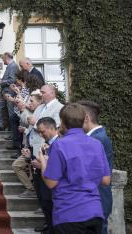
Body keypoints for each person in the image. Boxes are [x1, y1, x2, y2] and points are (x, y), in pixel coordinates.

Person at [36, 103, 111, 234]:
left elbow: (51, 182)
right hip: (94, 211)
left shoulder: (60, 145)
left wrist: (43, 163)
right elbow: (105, 180)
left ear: (62, 122)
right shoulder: (96, 144)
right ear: (84, 120)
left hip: (69, 212)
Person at [78, 100, 113, 234]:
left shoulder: (96, 139)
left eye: (76, 118)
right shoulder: (95, 136)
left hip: (97, 197)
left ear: (86, 118)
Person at [29, 117, 59, 234]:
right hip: (43, 181)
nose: (41, 135)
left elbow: (57, 166)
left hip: (52, 185)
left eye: (42, 132)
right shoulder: (48, 143)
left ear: (51, 128)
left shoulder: (59, 143)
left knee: (50, 207)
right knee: (46, 205)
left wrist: (42, 164)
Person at [12, 92, 42, 199]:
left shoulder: (33, 113)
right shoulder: (33, 112)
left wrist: (26, 129)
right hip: (29, 147)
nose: (29, 103)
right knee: (18, 166)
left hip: (39, 150)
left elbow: (45, 131)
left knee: (38, 174)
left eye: (31, 101)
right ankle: (31, 188)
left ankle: (32, 189)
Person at [0, 52, 19, 131]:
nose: (2, 60)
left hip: (10, 92)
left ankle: (12, 130)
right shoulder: (10, 66)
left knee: (11, 111)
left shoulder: (13, 66)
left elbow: (12, 80)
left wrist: (1, 81)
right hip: (5, 92)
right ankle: (0, 126)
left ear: (7, 57)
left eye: (3, 58)